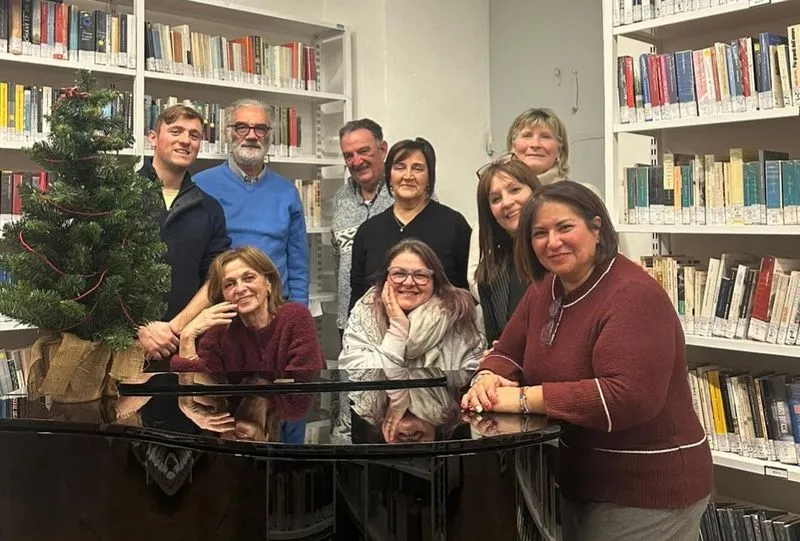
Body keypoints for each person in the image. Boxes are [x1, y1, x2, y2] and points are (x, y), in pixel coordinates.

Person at [461, 181, 712, 541]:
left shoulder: (632, 294)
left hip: (647, 490)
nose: (553, 242)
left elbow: (626, 397)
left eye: (565, 227)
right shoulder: (544, 288)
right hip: (581, 480)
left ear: (596, 228)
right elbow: (507, 350)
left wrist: (522, 398)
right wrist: (487, 378)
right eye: (540, 233)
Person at [136, 104, 231, 367]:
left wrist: (174, 328)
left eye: (194, 135)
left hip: (184, 343)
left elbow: (215, 277)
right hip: (123, 344)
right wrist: (139, 327)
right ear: (153, 138)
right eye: (176, 131)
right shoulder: (120, 196)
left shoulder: (210, 209)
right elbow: (99, 271)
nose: (185, 141)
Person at [193, 99, 309, 305]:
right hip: (220, 308)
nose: (252, 136)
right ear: (227, 133)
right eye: (242, 128)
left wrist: (299, 312)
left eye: (260, 129)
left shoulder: (287, 191)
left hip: (275, 307)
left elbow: (298, 262)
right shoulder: (201, 186)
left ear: (269, 135)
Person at [348, 138, 471, 314]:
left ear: (429, 178)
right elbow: (357, 296)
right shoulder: (368, 231)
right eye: (400, 167)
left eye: (417, 168)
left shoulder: (454, 225)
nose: (408, 176)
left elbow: (468, 292)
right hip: (378, 328)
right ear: (389, 177)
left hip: (443, 327)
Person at [467, 107, 573, 300]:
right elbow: (478, 273)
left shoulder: (578, 195)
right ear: (513, 147)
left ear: (560, 148)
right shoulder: (496, 204)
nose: (535, 144)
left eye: (545, 136)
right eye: (527, 135)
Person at [170, 246, 325, 373]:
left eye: (249, 278)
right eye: (229, 284)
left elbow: (304, 388)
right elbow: (198, 393)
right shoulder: (218, 333)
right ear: (223, 296)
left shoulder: (295, 317)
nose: (240, 289)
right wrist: (187, 336)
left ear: (269, 283)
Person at [340, 238, 484, 371]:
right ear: (385, 279)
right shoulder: (366, 313)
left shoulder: (457, 316)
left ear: (435, 282)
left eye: (420, 275)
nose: (408, 282)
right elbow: (357, 378)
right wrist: (398, 328)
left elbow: (472, 378)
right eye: (399, 274)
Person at [331, 119, 394, 340]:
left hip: (395, 320)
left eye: (364, 151)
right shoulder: (340, 199)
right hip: (350, 321)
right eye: (348, 155)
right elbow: (338, 259)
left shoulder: (405, 192)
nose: (357, 161)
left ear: (383, 149)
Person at [473, 157, 542, 344]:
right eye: (496, 199)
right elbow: (495, 342)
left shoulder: (562, 253)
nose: (507, 202)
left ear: (535, 192)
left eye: (515, 190)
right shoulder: (489, 273)